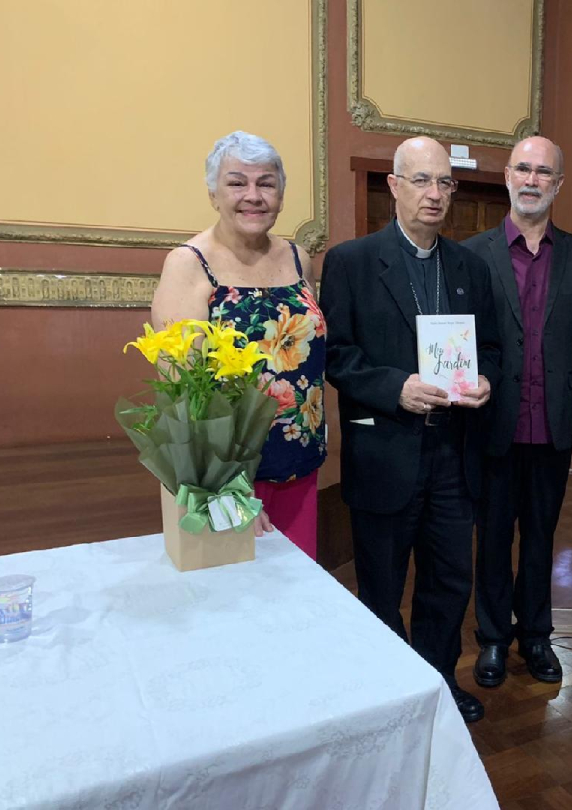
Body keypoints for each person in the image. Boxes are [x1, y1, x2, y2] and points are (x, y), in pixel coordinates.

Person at [320, 137, 501, 724]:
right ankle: (386, 691)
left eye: (445, 183)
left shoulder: (471, 266)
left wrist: (486, 381)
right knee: (381, 583)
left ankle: (438, 683)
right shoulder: (350, 262)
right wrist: (395, 387)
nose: (435, 194)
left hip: (454, 450)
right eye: (421, 180)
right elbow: (337, 357)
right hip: (387, 448)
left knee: (449, 580)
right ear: (393, 186)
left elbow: (492, 350)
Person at [462, 136, 572, 688]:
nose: (531, 179)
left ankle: (537, 636)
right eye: (522, 168)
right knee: (493, 538)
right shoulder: (471, 256)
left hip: (555, 424)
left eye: (543, 172)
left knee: (543, 538)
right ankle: (494, 639)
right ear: (506, 178)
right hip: (490, 424)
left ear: (558, 184)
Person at [152, 131, 325, 560]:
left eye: (266, 183)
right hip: (228, 477)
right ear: (213, 193)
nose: (253, 196)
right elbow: (181, 393)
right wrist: (226, 490)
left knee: (299, 601)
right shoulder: (189, 264)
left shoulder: (298, 257)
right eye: (236, 183)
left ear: (281, 195)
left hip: (300, 465)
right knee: (240, 605)